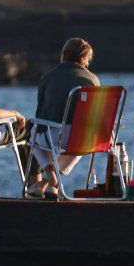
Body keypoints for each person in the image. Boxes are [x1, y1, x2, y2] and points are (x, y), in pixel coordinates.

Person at [28, 37, 100, 199]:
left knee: (32, 134)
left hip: (54, 136)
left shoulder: (49, 76)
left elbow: (40, 113)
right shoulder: (93, 80)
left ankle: (49, 176)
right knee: (83, 139)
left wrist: (37, 132)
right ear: (85, 58)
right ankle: (47, 181)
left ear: (65, 54)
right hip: (83, 140)